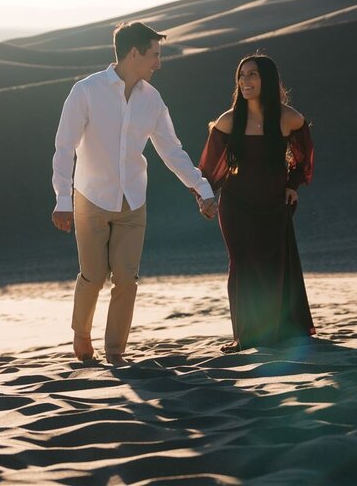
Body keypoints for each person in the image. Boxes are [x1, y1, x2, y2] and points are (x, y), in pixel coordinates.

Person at [52, 21, 217, 365]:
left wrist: (201, 187)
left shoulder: (152, 100)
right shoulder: (86, 91)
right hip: (90, 198)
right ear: (133, 54)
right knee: (93, 276)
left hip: (133, 202)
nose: (159, 63)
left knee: (127, 279)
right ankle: (82, 335)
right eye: (154, 55)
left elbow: (171, 150)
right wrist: (62, 200)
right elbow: (64, 147)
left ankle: (115, 352)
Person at [197, 52, 316, 352]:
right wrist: (205, 197)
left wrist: (292, 185)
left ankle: (283, 331)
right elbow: (208, 170)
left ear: (268, 79)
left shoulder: (289, 117)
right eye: (241, 75)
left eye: (252, 75)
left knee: (277, 265)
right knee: (243, 265)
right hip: (236, 204)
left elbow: (304, 159)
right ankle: (246, 336)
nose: (245, 81)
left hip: (275, 203)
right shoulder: (229, 120)